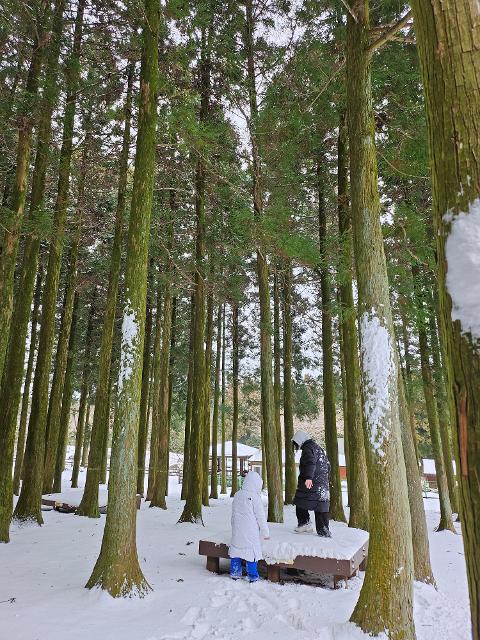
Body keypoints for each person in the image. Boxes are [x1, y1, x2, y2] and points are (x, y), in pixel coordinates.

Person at [228, 470, 270, 582]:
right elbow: (260, 517)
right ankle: (253, 576)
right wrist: (266, 533)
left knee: (236, 551)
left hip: (237, 531)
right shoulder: (255, 498)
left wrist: (233, 525)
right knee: (251, 553)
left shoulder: (237, 495)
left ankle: (235, 572)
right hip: (250, 532)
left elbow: (233, 513)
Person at [292, 430, 331, 537]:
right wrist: (324, 478)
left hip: (311, 482)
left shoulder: (308, 448)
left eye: (296, 443)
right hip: (321, 483)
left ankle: (304, 523)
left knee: (300, 501)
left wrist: (309, 477)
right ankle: (323, 529)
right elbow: (327, 465)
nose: (297, 446)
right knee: (320, 505)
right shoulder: (318, 448)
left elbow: (310, 462)